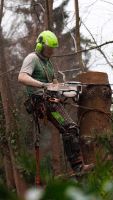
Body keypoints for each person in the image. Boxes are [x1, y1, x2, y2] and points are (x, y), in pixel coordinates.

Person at [18, 30, 92, 174]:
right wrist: (42, 85)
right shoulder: (32, 58)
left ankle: (80, 162)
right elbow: (21, 77)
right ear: (40, 45)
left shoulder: (49, 63)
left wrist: (68, 90)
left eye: (52, 49)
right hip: (41, 102)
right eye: (48, 48)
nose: (51, 51)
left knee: (72, 128)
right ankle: (78, 168)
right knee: (69, 128)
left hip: (51, 100)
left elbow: (55, 84)